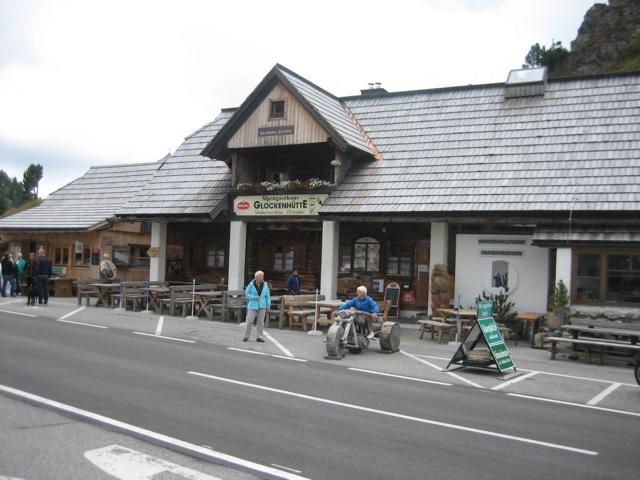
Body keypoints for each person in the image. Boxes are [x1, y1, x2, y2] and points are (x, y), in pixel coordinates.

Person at [243, 270, 271, 342]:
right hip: (252, 306)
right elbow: (246, 294)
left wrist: (268, 305)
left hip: (262, 306)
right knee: (249, 321)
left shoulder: (265, 285)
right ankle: (246, 336)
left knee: (260, 322)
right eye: (261, 277)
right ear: (256, 278)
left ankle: (259, 337)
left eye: (262, 277)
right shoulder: (251, 285)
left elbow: (267, 296)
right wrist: (254, 297)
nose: (262, 278)